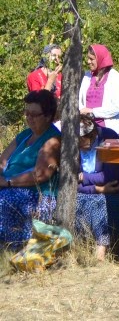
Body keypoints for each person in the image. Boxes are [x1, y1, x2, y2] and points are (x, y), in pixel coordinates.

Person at [0, 90, 61, 248]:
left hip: (36, 195)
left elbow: (40, 175)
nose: (29, 118)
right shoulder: (25, 135)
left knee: (3, 201)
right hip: (9, 187)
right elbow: (2, 161)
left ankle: (12, 248)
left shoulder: (52, 140)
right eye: (27, 113)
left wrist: (7, 181)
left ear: (48, 116)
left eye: (34, 114)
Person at [75, 114, 119, 259]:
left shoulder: (109, 137)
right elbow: (71, 181)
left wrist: (84, 177)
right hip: (92, 188)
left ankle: (103, 250)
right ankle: (83, 247)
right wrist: (96, 188)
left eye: (83, 138)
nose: (79, 142)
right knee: (78, 200)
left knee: (102, 202)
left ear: (94, 133)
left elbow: (110, 177)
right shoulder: (73, 144)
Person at [78, 44, 119, 133]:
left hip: (108, 130)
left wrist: (92, 112)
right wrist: (82, 111)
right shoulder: (87, 76)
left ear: (100, 59)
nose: (88, 61)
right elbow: (80, 100)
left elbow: (116, 107)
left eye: (91, 59)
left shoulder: (116, 78)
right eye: (88, 58)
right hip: (87, 130)